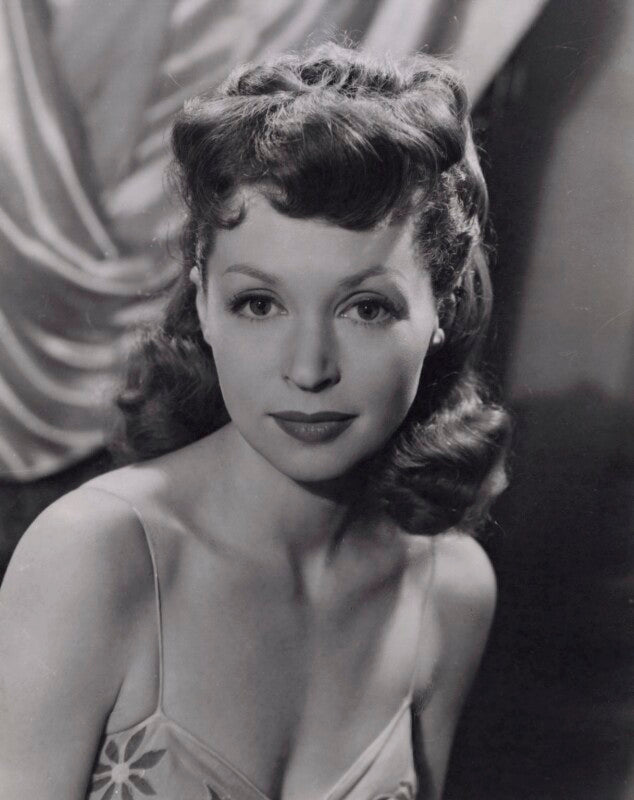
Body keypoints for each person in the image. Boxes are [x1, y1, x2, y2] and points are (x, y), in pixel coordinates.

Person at [0, 43, 509, 800]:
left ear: (442, 305)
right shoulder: (97, 558)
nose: (308, 368)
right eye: (259, 303)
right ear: (205, 303)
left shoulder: (451, 592)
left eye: (366, 308)